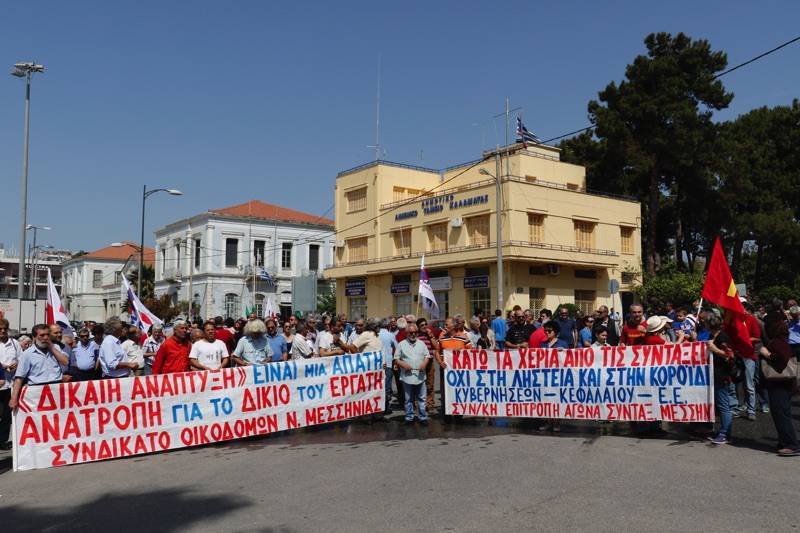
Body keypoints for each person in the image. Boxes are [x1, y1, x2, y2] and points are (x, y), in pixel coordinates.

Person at [759, 320, 799, 456]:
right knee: (781, 413)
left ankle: (791, 444)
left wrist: (766, 354)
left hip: (779, 384)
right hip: (783, 384)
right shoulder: (783, 341)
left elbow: (781, 361)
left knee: (781, 414)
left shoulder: (778, 343)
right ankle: (785, 441)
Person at [9, 324, 69, 411]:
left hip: (56, 389)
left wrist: (51, 347)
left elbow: (65, 362)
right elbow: (19, 377)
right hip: (37, 391)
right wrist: (14, 399)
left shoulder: (55, 347)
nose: (45, 338)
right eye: (42, 335)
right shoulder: (27, 354)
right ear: (34, 337)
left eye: (47, 335)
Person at [707, 314, 736, 445]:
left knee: (724, 406)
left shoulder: (722, 337)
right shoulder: (713, 337)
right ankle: (723, 432)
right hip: (715, 375)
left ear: (709, 325)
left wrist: (714, 349)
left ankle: (725, 434)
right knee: (720, 405)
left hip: (722, 376)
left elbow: (730, 356)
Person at [394, 324, 431, 425]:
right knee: (408, 399)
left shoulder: (422, 344)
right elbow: (396, 358)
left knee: (422, 398)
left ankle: (423, 417)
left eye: (415, 332)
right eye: (411, 332)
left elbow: (427, 356)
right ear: (407, 333)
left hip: (420, 376)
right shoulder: (401, 344)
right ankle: (409, 417)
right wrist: (403, 364)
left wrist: (424, 363)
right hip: (407, 377)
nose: (413, 334)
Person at [436, 317, 472, 421]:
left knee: (458, 392)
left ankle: (458, 415)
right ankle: (446, 415)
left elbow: (471, 353)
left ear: (454, 326)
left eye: (447, 325)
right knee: (445, 392)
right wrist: (440, 362)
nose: (445, 327)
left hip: (459, 372)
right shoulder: (442, 337)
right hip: (445, 370)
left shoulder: (464, 337)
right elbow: (437, 352)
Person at [0, 318, 22, 450]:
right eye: (0, 329)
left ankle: (2, 440)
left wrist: (17, 364)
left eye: (5, 329)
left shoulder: (14, 343)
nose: (2, 331)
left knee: (7, 415)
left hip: (11, 384)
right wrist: (1, 367)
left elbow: (21, 358)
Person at [379, 318, 398, 412]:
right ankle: (386, 407)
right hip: (388, 363)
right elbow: (397, 348)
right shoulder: (390, 335)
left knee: (379, 385)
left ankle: (379, 406)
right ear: (388, 325)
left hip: (378, 364)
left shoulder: (376, 335)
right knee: (387, 386)